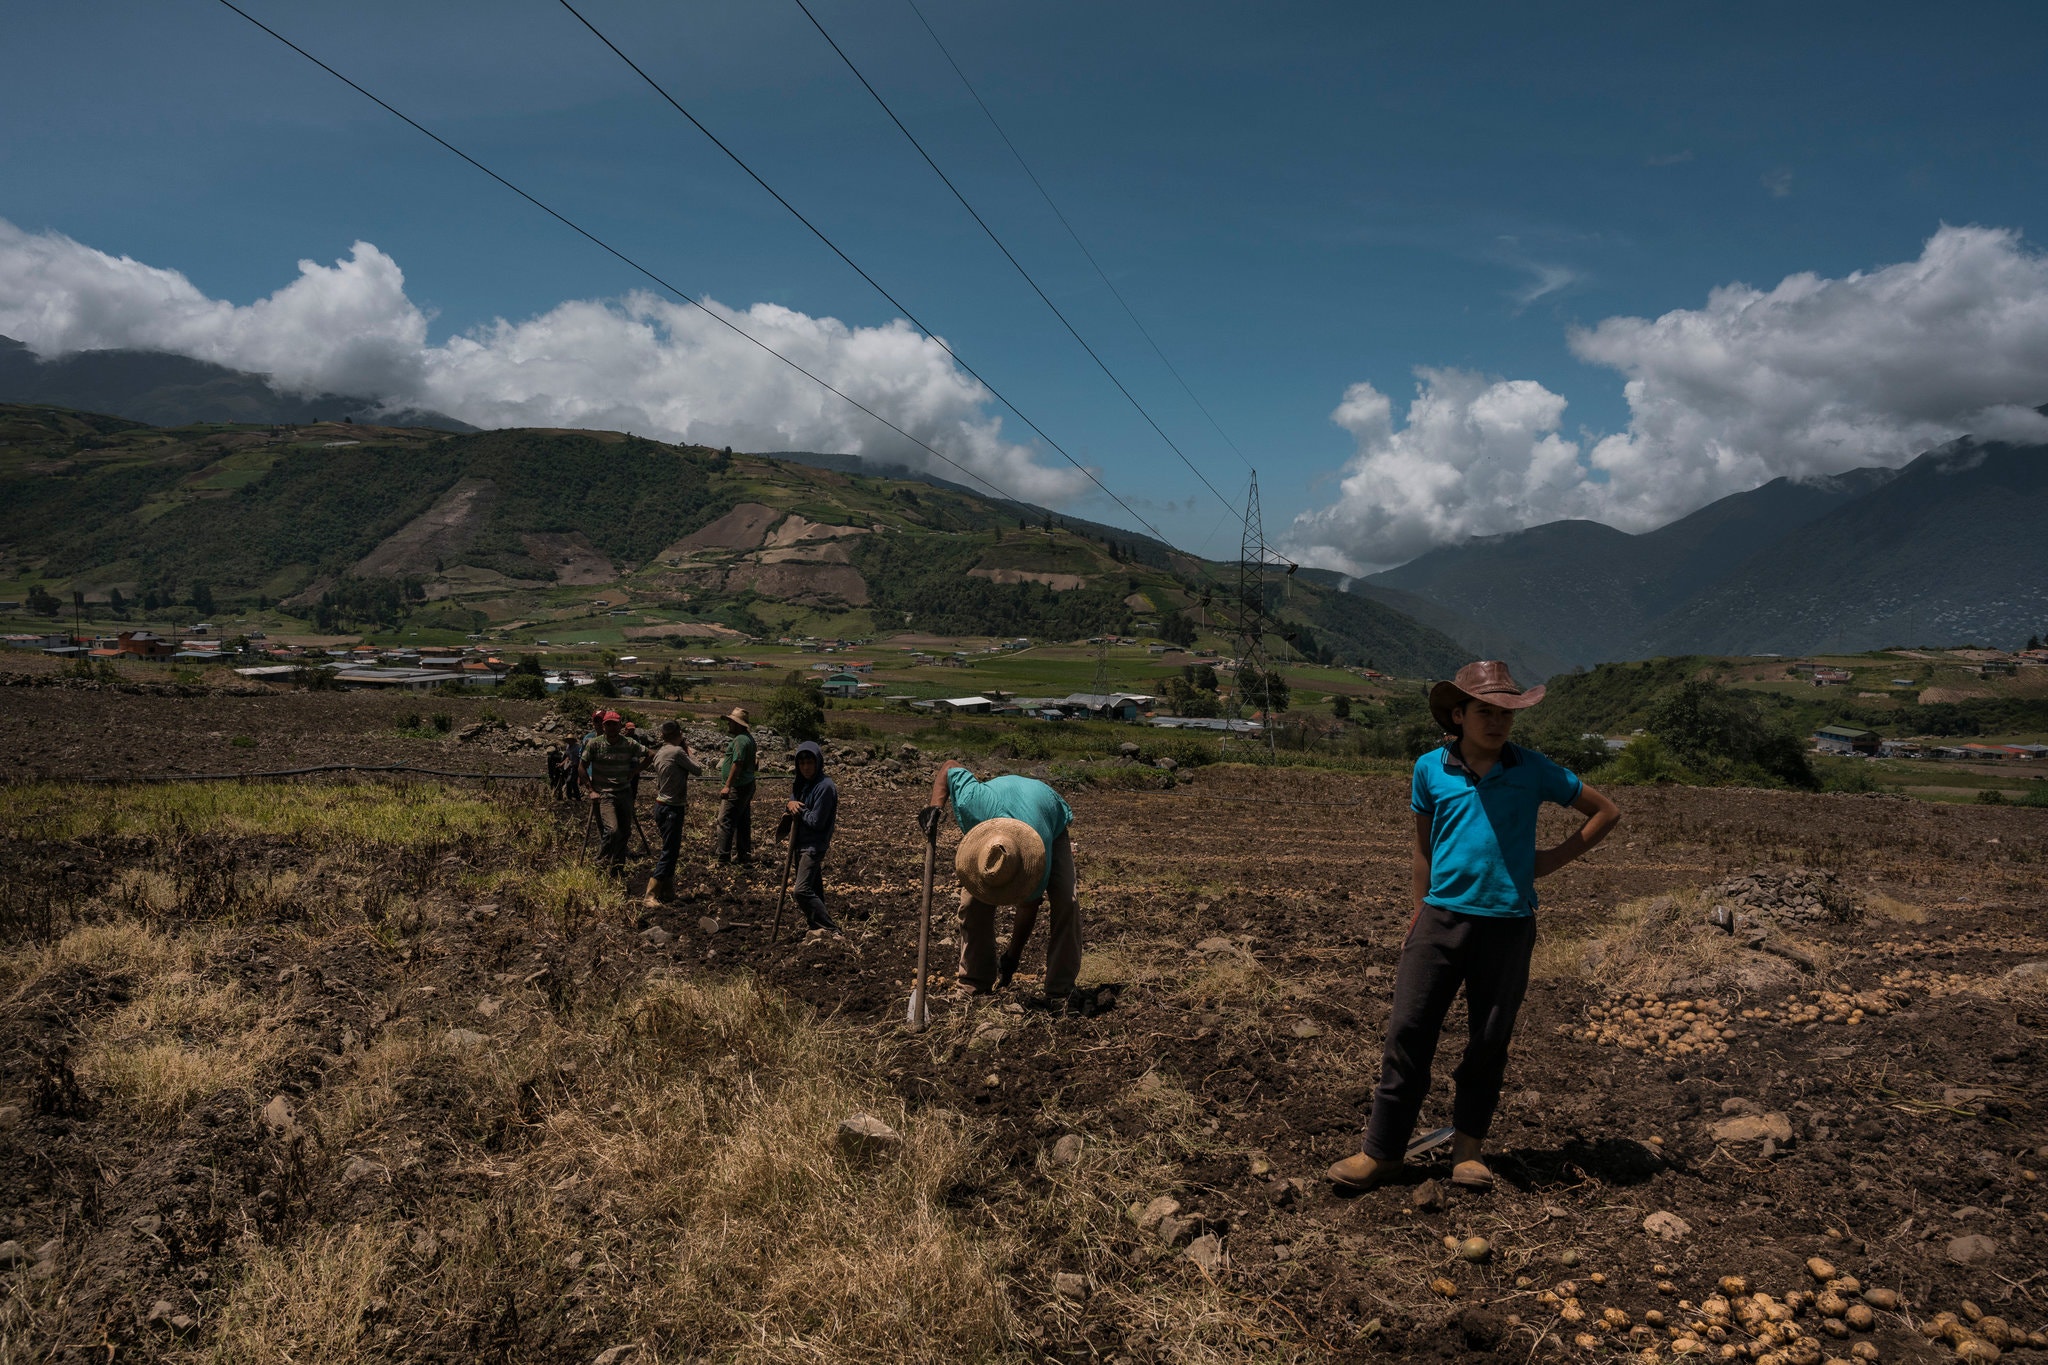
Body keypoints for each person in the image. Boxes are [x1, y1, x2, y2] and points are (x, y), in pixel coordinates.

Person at [1328, 661, 1620, 1194]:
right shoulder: (1429, 769)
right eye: (1485, 711)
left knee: (1488, 1040)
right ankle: (1382, 1153)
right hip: (1439, 921)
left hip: (1508, 926)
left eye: (1506, 712)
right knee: (1408, 1034)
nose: (1498, 722)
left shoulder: (1533, 769)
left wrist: (1546, 861)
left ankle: (1467, 1151)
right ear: (1458, 715)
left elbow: (1605, 811)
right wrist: (1419, 912)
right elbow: (1423, 846)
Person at [919, 760, 1081, 1008]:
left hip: (1046, 812)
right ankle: (974, 983)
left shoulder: (1037, 858)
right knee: (973, 902)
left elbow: (1029, 907)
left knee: (1066, 901)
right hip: (999, 809)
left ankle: (1060, 990)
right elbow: (949, 767)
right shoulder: (970, 802)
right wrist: (934, 806)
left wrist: (1011, 960)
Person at [581, 710, 647, 875]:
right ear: (603, 726)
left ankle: (617, 867)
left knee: (625, 831)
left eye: (614, 724)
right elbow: (581, 766)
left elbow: (650, 754)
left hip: (624, 792)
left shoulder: (629, 743)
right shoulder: (594, 743)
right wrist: (590, 790)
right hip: (604, 794)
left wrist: (635, 771)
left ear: (620, 726)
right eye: (607, 724)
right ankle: (600, 862)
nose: (611, 727)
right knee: (612, 830)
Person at [643, 720, 701, 907]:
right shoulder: (677, 752)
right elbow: (698, 769)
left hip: (661, 805)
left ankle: (667, 890)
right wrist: (688, 750)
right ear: (679, 734)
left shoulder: (660, 752)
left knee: (671, 849)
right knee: (669, 851)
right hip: (672, 807)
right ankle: (650, 895)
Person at [784, 740, 840, 930]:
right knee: (814, 888)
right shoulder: (801, 784)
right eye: (802, 763)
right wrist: (790, 805)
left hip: (813, 846)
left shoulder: (825, 787)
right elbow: (793, 801)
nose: (806, 767)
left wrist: (798, 810)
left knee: (801, 890)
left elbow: (817, 822)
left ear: (818, 762)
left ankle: (831, 929)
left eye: (809, 762)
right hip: (799, 843)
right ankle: (816, 929)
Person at [712, 706, 758, 867]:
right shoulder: (748, 738)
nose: (729, 725)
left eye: (731, 722)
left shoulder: (739, 740)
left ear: (738, 724)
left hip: (738, 787)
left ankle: (722, 858)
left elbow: (737, 763)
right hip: (747, 784)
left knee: (724, 820)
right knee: (743, 820)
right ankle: (743, 854)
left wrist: (727, 786)